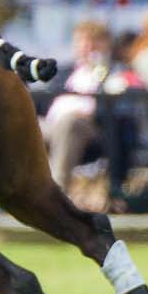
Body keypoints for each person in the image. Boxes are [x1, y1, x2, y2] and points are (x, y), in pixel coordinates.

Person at [42, 19, 113, 190]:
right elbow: (45, 102)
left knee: (69, 123)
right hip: (52, 123)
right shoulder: (64, 72)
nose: (86, 46)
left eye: (92, 42)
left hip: (90, 126)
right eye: (81, 41)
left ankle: (56, 191)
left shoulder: (110, 72)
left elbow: (111, 105)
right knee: (23, 124)